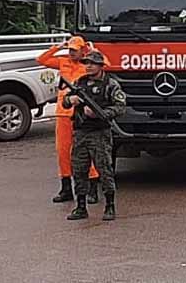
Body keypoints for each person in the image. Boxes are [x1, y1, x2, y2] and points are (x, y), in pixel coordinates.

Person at [63, 50, 126, 222]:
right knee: (79, 170)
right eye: (86, 63)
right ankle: (81, 206)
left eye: (92, 63)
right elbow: (64, 101)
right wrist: (72, 100)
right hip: (81, 132)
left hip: (99, 133)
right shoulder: (80, 82)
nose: (88, 66)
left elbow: (121, 107)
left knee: (105, 170)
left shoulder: (110, 84)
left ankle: (110, 206)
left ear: (100, 66)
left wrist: (101, 113)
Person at [36, 36, 100, 204]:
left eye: (74, 50)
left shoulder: (88, 65)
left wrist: (93, 50)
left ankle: (92, 188)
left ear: (82, 50)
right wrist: (58, 47)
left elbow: (105, 62)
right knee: (63, 151)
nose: (71, 52)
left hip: (81, 114)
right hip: (63, 113)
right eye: (70, 49)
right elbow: (41, 60)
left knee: (87, 150)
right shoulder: (63, 61)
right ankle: (66, 188)